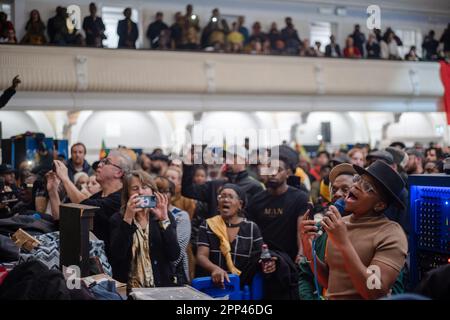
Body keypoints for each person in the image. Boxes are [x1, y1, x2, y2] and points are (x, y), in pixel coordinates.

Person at [300, 161, 408, 299]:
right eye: (358, 179)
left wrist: (343, 243)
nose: (356, 185)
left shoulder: (391, 233)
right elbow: (329, 282)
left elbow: (374, 292)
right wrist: (309, 249)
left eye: (368, 187)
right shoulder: (340, 224)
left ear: (380, 205)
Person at [47, 150, 132, 254]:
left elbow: (84, 205)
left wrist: (65, 178)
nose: (99, 164)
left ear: (119, 172)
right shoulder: (98, 196)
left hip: (107, 265)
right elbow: (62, 221)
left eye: (106, 162)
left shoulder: (120, 200)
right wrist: (52, 191)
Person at [109, 170, 180, 290]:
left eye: (145, 187)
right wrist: (128, 219)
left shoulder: (164, 215)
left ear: (153, 191)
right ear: (127, 194)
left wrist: (164, 220)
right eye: (135, 188)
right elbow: (117, 255)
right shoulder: (118, 219)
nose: (141, 192)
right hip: (130, 289)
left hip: (161, 288)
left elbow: (174, 255)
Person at [197, 184, 276, 287]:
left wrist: (268, 264)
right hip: (214, 285)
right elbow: (201, 256)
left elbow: (262, 256)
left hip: (242, 286)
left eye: (230, 196)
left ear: (240, 204)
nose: (225, 199)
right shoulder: (208, 225)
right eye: (222, 196)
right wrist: (215, 269)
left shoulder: (251, 228)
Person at [247, 156, 309, 262]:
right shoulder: (256, 200)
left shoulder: (300, 198)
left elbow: (301, 230)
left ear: (288, 173)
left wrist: (301, 253)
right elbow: (251, 233)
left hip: (290, 258)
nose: (273, 173)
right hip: (264, 257)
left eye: (278, 170)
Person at [182, 145, 264, 218]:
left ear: (246, 160)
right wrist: (188, 164)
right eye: (227, 157)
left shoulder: (255, 187)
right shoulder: (215, 185)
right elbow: (187, 190)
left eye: (233, 157)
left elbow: (259, 217)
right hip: (215, 233)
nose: (228, 161)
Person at [154, 176, 191, 284]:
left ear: (172, 195)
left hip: (173, 274)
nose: (159, 195)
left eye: (164, 191)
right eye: (155, 190)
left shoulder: (180, 216)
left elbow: (178, 254)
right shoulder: (146, 214)